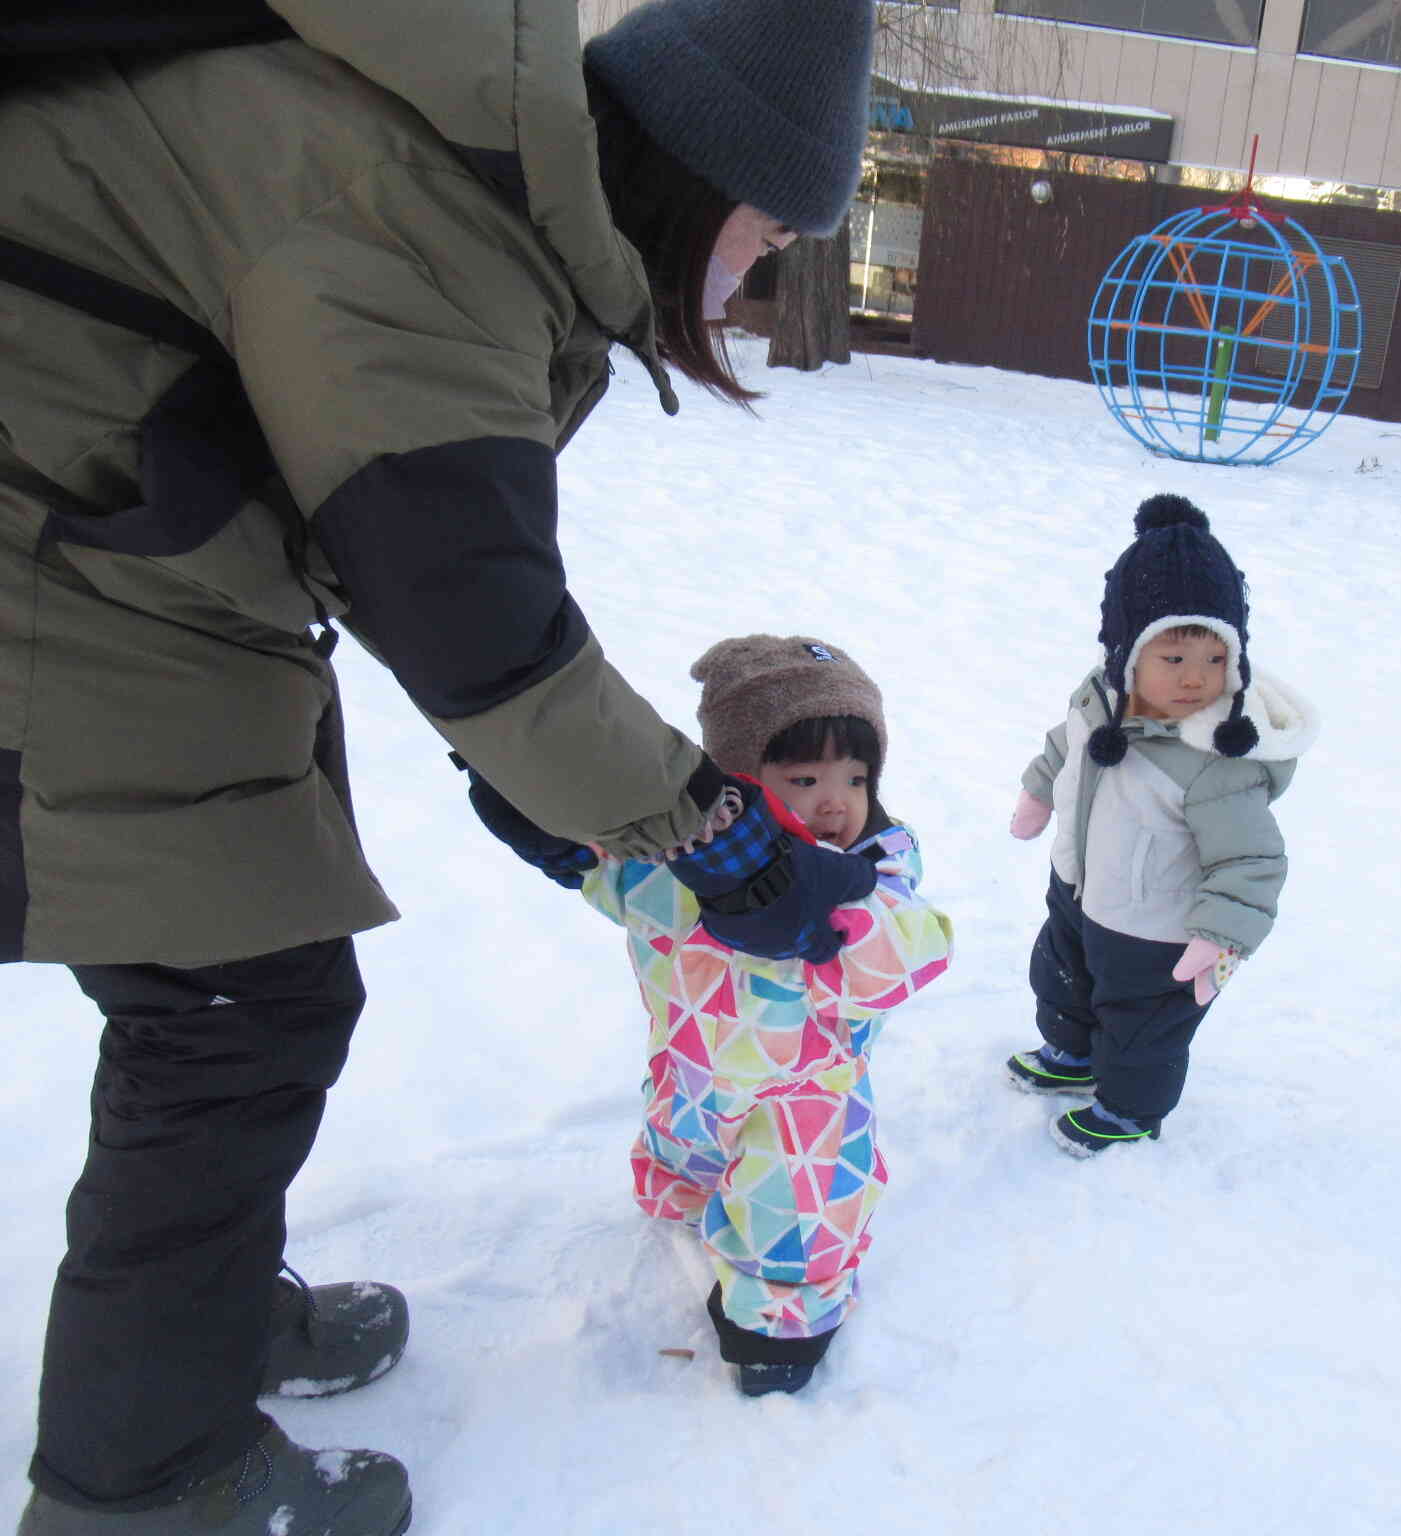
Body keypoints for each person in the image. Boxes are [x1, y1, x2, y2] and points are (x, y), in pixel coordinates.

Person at [0, 1, 874, 1530]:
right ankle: (143, 1477)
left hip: (120, 528)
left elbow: (407, 546)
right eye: (767, 235)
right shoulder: (420, 221)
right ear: (693, 180)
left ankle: (189, 1332)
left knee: (249, 967)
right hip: (51, 546)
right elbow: (481, 625)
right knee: (231, 1009)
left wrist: (525, 758)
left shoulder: (460, 179)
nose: (760, 278)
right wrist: (705, 832)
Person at [478, 635, 954, 1396]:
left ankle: (779, 1331)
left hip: (801, 1107)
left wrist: (825, 907)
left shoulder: (872, 873)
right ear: (737, 782)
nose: (837, 800)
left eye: (856, 777)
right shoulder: (677, 863)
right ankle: (690, 1193)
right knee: (686, 1153)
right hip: (690, 1075)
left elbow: (913, 950)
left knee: (795, 1212)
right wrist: (561, 843)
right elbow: (625, 886)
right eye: (804, 776)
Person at [1004, 495, 1320, 1157]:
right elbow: (1066, 745)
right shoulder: (1098, 699)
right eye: (1173, 659)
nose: (1195, 679)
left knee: (1143, 1024)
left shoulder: (1215, 762)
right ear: (1126, 651)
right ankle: (1072, 1052)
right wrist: (1039, 791)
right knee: (1063, 974)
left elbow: (1251, 862)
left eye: (1214, 660)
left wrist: (1220, 934)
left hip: (1158, 927)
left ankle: (1128, 1109)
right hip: (1081, 886)